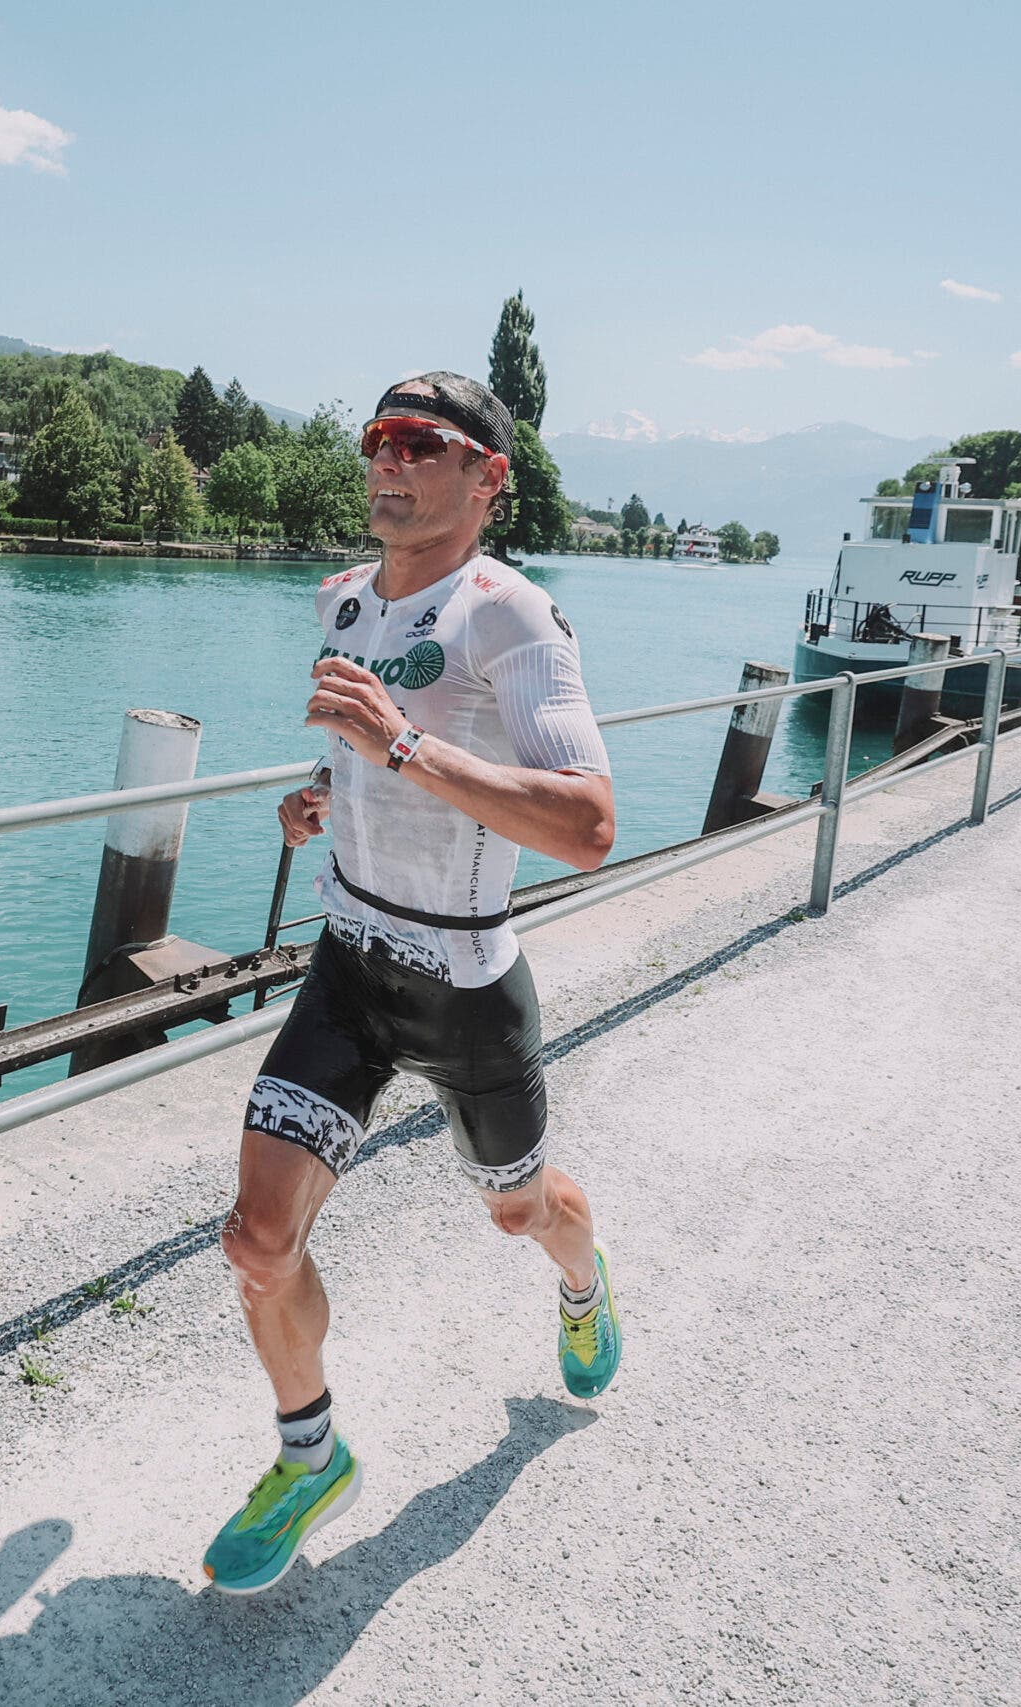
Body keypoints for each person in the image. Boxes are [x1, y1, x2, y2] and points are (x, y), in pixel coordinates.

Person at [200, 373, 619, 1595]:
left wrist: (397, 745)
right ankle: (310, 1456)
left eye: (420, 445)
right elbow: (369, 759)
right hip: (348, 969)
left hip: (464, 990)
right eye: (376, 440)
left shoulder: (513, 619)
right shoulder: (339, 600)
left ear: (487, 477)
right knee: (256, 1242)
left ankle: (585, 1284)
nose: (388, 462)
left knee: (516, 1211)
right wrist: (330, 796)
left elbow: (589, 826)